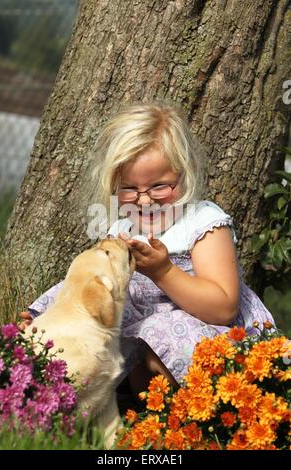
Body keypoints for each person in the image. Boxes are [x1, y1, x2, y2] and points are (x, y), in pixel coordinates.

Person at [20, 101, 275, 400]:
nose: (144, 202)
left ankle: (188, 420)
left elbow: (224, 308)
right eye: (129, 189)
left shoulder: (203, 223)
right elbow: (89, 282)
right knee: (111, 338)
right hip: (142, 343)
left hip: (210, 339)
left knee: (157, 330)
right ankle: (136, 417)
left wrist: (163, 271)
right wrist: (46, 315)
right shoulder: (122, 230)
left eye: (159, 186)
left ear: (184, 174)